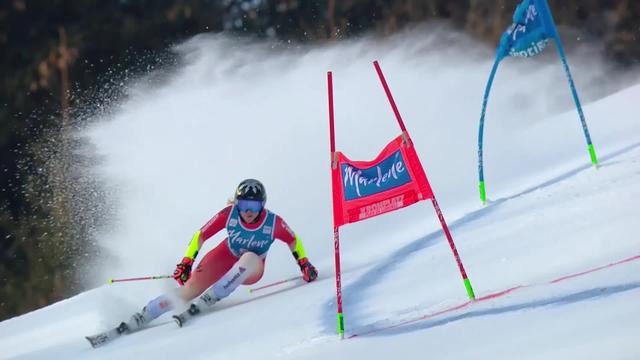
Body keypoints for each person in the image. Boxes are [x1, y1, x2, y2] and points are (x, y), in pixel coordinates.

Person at [120, 179, 318, 332]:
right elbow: (201, 235)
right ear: (237, 204)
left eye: (254, 206)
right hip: (225, 257)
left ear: (262, 206)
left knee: (248, 257)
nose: (248, 212)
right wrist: (187, 262)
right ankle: (145, 314)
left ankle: (213, 296)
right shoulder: (228, 215)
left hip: (252, 268)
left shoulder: (273, 223)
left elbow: (293, 240)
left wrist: (304, 265)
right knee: (188, 290)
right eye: (243, 205)